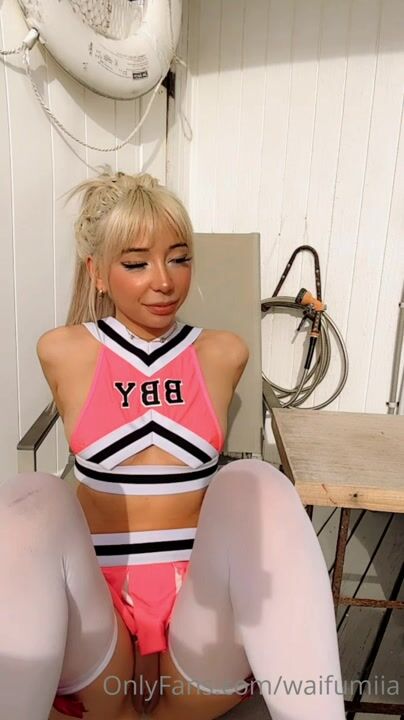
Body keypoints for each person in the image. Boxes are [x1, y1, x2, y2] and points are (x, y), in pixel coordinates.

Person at [0, 170, 346, 720]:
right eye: (136, 264)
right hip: (96, 622)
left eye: (179, 258)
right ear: (98, 273)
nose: (164, 281)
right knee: (32, 496)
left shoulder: (224, 352)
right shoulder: (63, 351)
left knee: (253, 481)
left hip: (200, 614)